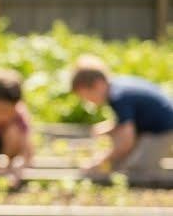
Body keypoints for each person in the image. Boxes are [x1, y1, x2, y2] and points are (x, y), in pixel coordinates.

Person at [70, 55, 173, 186]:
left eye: (86, 96)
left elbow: (126, 141)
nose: (88, 101)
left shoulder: (118, 97)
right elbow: (126, 123)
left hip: (165, 132)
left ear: (97, 84)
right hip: (155, 129)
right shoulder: (118, 86)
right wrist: (107, 129)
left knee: (135, 171)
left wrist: (101, 161)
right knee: (122, 162)